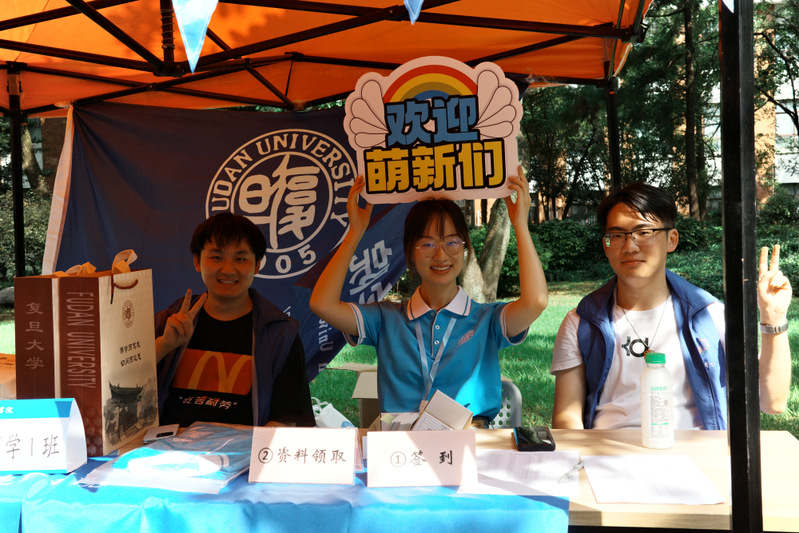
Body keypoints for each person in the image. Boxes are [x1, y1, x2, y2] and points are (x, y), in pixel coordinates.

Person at [310, 168, 548, 425]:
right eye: (427, 244)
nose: (441, 255)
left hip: (470, 440)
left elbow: (535, 302)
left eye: (452, 242)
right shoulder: (384, 318)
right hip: (400, 443)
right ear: (410, 252)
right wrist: (355, 232)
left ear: (465, 247)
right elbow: (322, 304)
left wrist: (520, 225)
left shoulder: (487, 320)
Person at [550, 183, 793, 430]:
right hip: (608, 450)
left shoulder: (709, 316)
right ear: (606, 245)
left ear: (671, 240)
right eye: (617, 235)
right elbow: (566, 419)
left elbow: (772, 402)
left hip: (695, 451)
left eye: (644, 232)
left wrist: (773, 317)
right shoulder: (582, 323)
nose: (630, 246)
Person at [154, 213, 315, 428]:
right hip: (169, 447)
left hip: (247, 448)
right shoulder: (170, 322)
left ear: (257, 265)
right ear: (197, 262)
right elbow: (124, 387)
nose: (228, 270)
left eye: (240, 259)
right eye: (216, 257)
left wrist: (250, 448)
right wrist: (163, 346)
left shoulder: (280, 334)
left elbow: (286, 419)